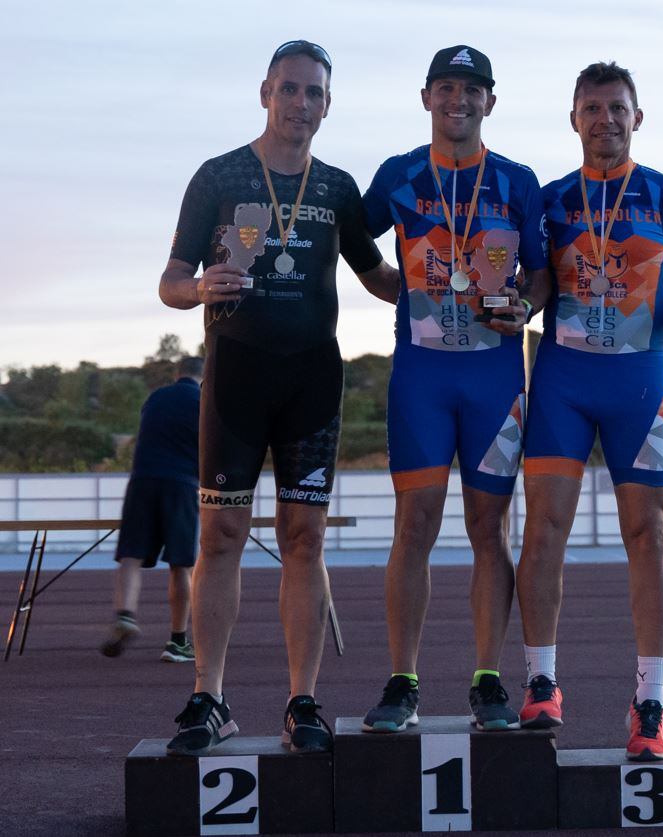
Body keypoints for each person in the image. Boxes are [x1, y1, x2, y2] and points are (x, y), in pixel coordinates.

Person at [158, 40, 399, 756]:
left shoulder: (337, 188)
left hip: (313, 381)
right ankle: (210, 696)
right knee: (220, 536)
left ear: (329, 104)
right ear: (266, 91)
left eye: (314, 94)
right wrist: (199, 287)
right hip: (236, 377)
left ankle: (303, 700)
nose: (301, 104)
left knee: (305, 540)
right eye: (289, 89)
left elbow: (379, 275)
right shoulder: (219, 175)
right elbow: (170, 280)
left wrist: (447, 283)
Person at [516, 61, 663, 759]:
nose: (605, 119)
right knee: (543, 532)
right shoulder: (548, 202)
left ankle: (650, 702)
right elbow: (535, 286)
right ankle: (541, 684)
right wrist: (514, 302)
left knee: (648, 536)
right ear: (574, 119)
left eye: (617, 108)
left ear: (639, 118)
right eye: (592, 108)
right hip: (562, 383)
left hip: (642, 383)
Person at [359, 45, 550, 733]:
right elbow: (356, 241)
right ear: (426, 97)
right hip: (422, 378)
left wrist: (525, 306)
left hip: (496, 378)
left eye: (471, 89)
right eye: (445, 87)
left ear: (490, 102)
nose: (457, 100)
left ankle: (488, 679)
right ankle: (403, 681)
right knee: (414, 527)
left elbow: (543, 273)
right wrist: (388, 286)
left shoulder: (518, 181)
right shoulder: (400, 174)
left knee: (487, 529)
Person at [100, 356, 204, 662]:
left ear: (177, 373)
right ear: (205, 376)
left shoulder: (155, 397)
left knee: (131, 555)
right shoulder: (204, 401)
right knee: (180, 564)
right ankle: (177, 641)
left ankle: (125, 614)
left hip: (142, 481)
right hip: (182, 485)